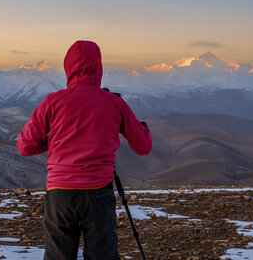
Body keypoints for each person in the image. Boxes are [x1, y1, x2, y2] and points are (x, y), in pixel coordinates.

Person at [17, 40, 152, 260]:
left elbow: (24, 146)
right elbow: (143, 146)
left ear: (68, 67)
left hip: (60, 194)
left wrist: (53, 142)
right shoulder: (114, 103)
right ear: (99, 67)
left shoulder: (53, 102)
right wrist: (144, 129)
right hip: (99, 193)